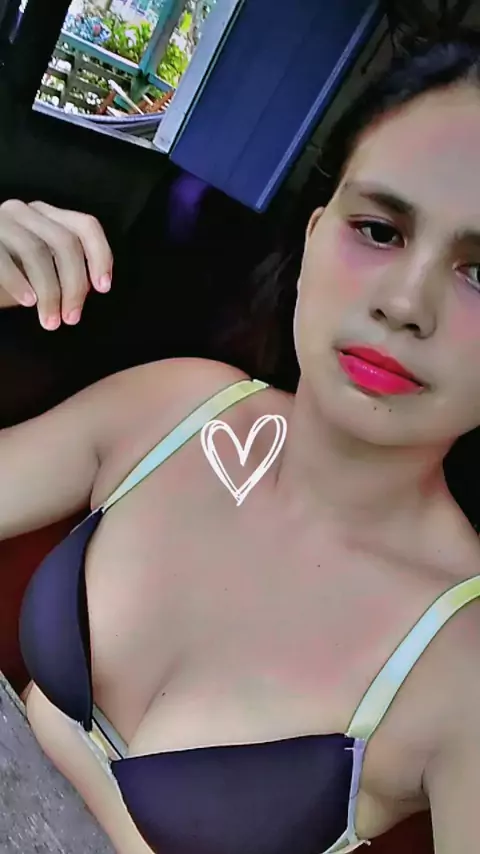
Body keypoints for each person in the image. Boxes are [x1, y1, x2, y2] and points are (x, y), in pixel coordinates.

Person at [3, 24, 480, 854]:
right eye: (379, 230)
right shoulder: (175, 406)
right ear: (315, 234)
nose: (405, 303)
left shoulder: (462, 661)